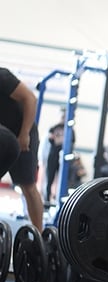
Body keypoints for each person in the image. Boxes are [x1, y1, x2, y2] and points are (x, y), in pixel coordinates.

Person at [0, 67, 44, 232]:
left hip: (21, 133)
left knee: (28, 185)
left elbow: (30, 99)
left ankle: (39, 235)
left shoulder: (2, 76)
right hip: (3, 137)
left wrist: (24, 134)